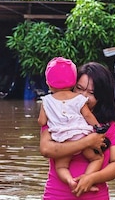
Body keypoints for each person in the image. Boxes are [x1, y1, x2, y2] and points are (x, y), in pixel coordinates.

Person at [39, 62, 115, 200]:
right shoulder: (55, 120)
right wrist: (87, 142)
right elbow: (46, 149)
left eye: (91, 93)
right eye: (79, 89)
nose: (84, 97)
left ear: (102, 96)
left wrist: (91, 178)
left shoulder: (107, 126)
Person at [38, 57, 105, 192]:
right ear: (74, 82)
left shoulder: (46, 101)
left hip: (62, 139)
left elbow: (42, 121)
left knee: (61, 167)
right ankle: (86, 179)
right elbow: (87, 115)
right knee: (97, 158)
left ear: (48, 83)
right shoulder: (79, 99)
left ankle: (71, 181)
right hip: (80, 134)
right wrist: (98, 128)